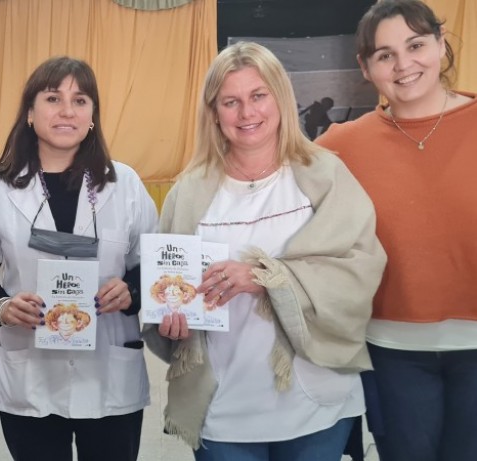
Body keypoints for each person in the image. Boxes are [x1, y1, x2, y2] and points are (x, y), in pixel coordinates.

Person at [142, 41, 387, 461]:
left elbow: (359, 270)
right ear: (213, 112)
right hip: (222, 402)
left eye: (258, 95)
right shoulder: (189, 192)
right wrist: (172, 324)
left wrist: (265, 277)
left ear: (281, 98)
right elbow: (168, 285)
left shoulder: (325, 174)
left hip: (316, 398)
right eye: (230, 102)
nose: (247, 113)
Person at [0, 56, 157, 461]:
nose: (67, 111)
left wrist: (131, 291)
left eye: (80, 100)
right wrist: (2, 306)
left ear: (92, 116)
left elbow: (152, 264)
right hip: (31, 374)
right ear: (30, 113)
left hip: (109, 372)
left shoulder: (125, 184)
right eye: (52, 98)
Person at [315, 1, 477, 459]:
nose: (404, 64)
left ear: (440, 45)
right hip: (391, 351)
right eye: (385, 55)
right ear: (366, 67)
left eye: (416, 45)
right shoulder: (341, 145)